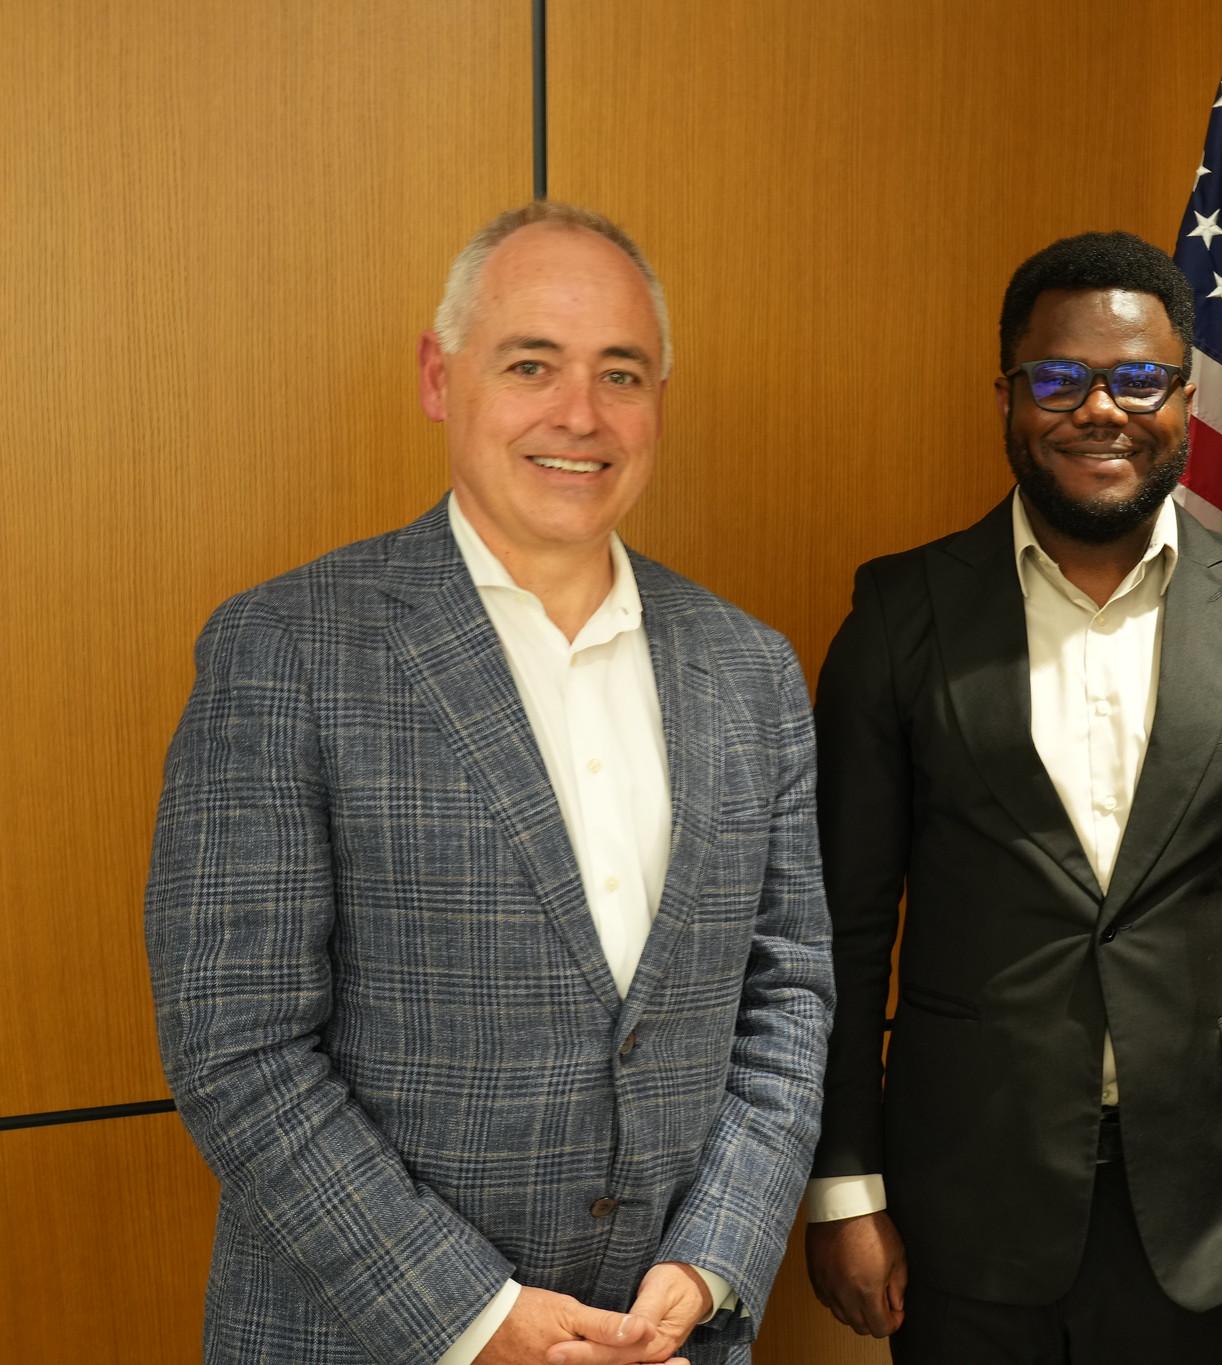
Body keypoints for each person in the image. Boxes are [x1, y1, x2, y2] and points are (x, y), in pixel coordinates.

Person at [144, 201, 832, 1365]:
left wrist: (713, 1256)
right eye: (531, 365)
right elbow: (237, 1045)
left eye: (623, 373)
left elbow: (789, 996)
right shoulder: (287, 651)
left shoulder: (748, 668)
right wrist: (473, 1315)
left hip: (667, 1340)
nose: (580, 413)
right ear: (438, 376)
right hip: (370, 1338)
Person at [802, 230, 1222, 1364]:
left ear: (1181, 395)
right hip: (966, 1205)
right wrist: (842, 1181)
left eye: (1136, 380)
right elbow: (841, 927)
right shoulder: (898, 616)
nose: (1098, 410)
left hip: (1214, 1200)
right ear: (1007, 396)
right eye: (1057, 380)